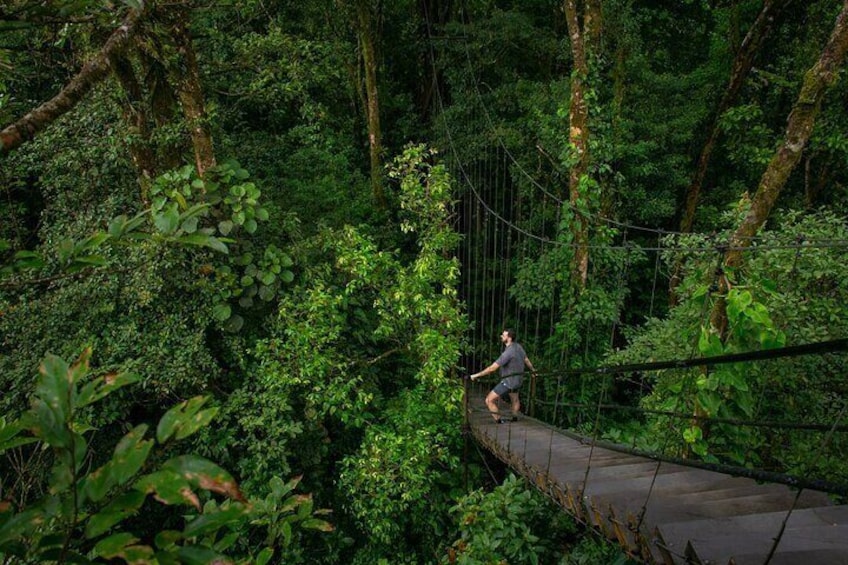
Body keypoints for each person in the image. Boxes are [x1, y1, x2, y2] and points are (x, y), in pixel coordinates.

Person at [470, 328, 536, 423]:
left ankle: (499, 421)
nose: (501, 336)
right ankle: (514, 419)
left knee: (489, 400)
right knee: (515, 399)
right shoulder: (518, 347)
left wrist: (476, 375)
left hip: (508, 382)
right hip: (518, 381)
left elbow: (492, 368)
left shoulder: (508, 353)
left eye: (503, 335)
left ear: (509, 338)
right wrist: (533, 370)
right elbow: (526, 360)